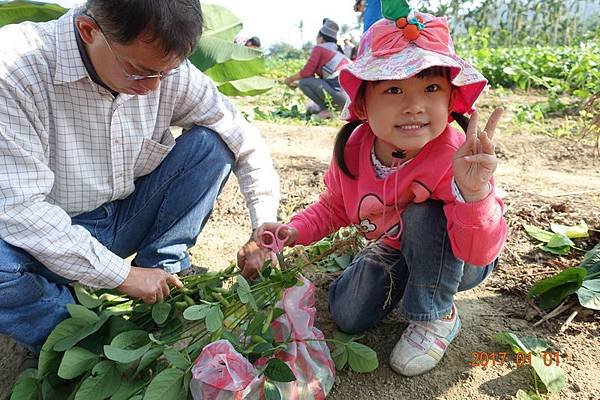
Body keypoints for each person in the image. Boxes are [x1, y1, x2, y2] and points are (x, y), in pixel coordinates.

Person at [0, 0, 279, 352]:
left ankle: (164, 275)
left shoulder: (165, 74)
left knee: (212, 143)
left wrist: (264, 226)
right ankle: (83, 337)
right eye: (139, 70)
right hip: (43, 239)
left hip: (124, 215)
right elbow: (21, 211)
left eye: (164, 73)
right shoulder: (14, 69)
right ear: (89, 32)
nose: (153, 87)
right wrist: (122, 276)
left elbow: (243, 136)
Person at [257, 0, 507, 377]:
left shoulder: (453, 155)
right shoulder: (355, 148)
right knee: (348, 315)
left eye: (432, 87)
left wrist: (473, 195)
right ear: (362, 103)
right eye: (393, 90)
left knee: (423, 215)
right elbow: (334, 207)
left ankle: (436, 316)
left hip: (462, 253)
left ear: (451, 98)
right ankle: (403, 273)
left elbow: (479, 251)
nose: (414, 107)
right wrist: (294, 230)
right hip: (395, 246)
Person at [283, 18, 351, 120]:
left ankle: (327, 111)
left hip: (341, 100)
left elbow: (306, 73)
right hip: (350, 102)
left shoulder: (320, 48)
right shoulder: (337, 51)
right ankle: (331, 110)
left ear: (321, 38)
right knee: (305, 82)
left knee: (304, 82)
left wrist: (289, 80)